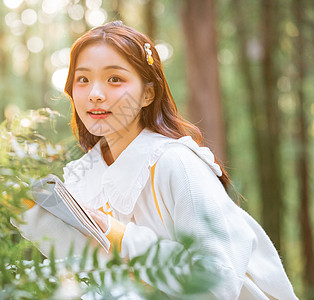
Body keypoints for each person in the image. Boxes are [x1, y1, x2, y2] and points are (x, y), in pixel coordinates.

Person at [18, 21, 298, 299]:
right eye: (83, 79)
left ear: (148, 93)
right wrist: (23, 208)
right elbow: (85, 264)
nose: (95, 94)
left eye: (115, 79)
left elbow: (216, 283)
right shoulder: (82, 175)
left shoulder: (177, 164)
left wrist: (117, 235)